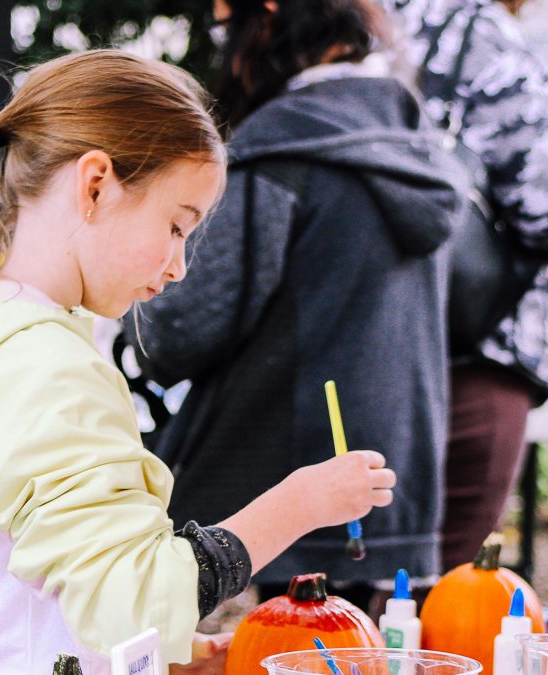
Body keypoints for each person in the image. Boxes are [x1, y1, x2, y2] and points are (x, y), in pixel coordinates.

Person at [0, 50, 396, 674]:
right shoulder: (47, 370)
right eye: (177, 226)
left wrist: (160, 657)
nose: (179, 267)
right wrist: (302, 503)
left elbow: (19, 579)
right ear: (95, 185)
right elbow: (135, 601)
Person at [125, 0, 466, 605]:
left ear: (267, 18)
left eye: (226, 24)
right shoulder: (417, 147)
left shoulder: (281, 149)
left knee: (271, 649)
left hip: (271, 494)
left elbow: (180, 330)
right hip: (393, 484)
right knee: (359, 647)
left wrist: (132, 307)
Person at [390, 0, 548, 571]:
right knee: (447, 588)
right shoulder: (475, 31)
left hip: (344, 356)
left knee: (328, 596)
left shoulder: (311, 26)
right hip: (469, 350)